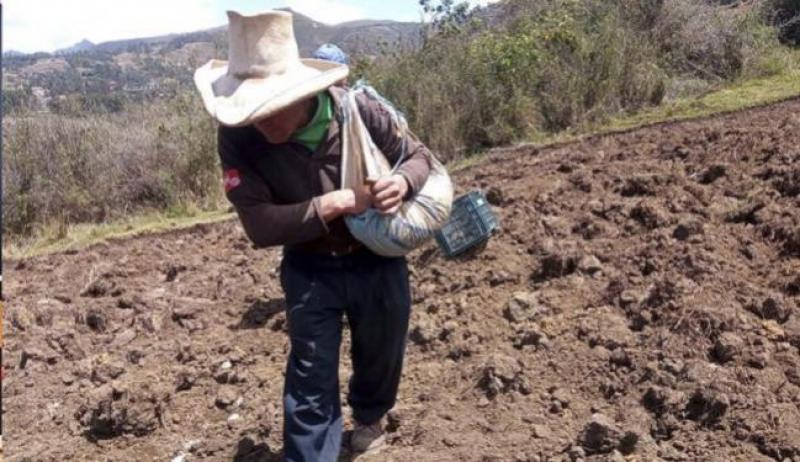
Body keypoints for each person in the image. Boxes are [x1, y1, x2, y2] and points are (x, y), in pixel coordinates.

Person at [194, 10, 432, 462]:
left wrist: (401, 183)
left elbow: (418, 158)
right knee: (309, 374)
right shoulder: (238, 138)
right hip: (309, 266)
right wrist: (341, 201)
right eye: (250, 110)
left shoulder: (359, 111)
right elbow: (260, 225)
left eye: (268, 108)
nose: (257, 121)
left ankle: (368, 417)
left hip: (375, 258)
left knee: (382, 345)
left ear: (301, 95)